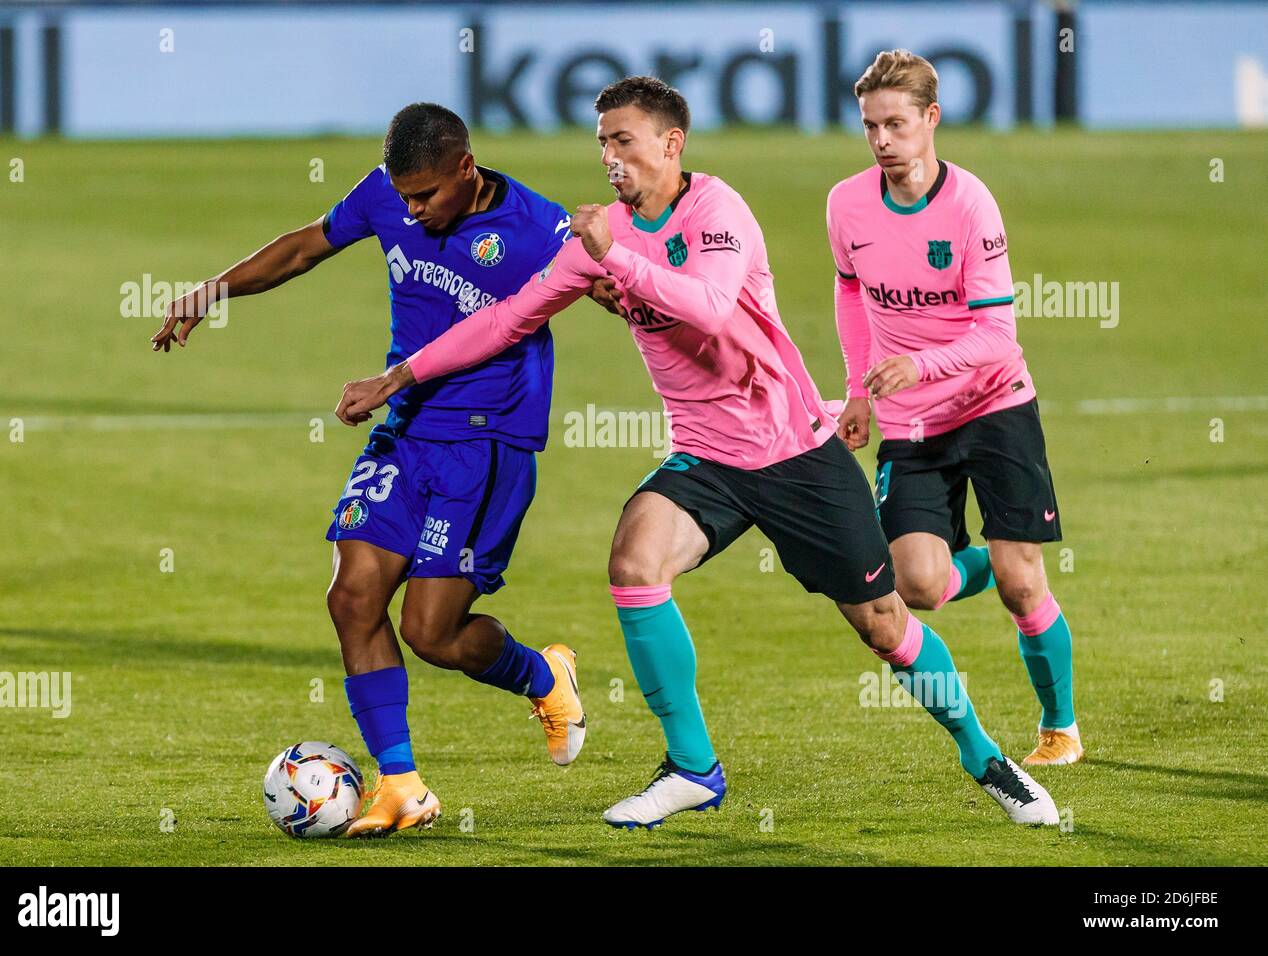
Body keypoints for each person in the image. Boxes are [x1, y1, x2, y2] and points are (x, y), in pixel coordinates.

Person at [336, 77, 1061, 828]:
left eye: (623, 141)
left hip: (792, 452)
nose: (609, 157)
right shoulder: (602, 236)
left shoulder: (715, 210)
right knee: (634, 564)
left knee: (884, 624)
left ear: (669, 144)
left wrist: (616, 256)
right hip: (706, 457)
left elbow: (709, 308)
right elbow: (506, 320)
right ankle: (693, 768)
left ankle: (985, 758)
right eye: (602, 144)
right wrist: (399, 375)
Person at [151, 103, 588, 837]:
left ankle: (545, 677)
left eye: (426, 197)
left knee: (432, 633)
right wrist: (212, 290)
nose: (411, 212)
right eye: (402, 197)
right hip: (406, 427)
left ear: (465, 168)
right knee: (353, 596)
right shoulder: (388, 193)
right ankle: (402, 784)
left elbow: (614, 286)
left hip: (487, 443)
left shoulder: (537, 231)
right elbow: (304, 247)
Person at [828, 50, 1080, 766]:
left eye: (896, 124)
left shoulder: (971, 205)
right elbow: (850, 291)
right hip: (912, 421)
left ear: (931, 119)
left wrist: (921, 363)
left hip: (995, 403)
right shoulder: (846, 204)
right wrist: (856, 389)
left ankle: (1059, 726)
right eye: (871, 125)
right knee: (920, 585)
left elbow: (1000, 333)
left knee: (1023, 582)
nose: (881, 140)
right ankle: (993, 560)